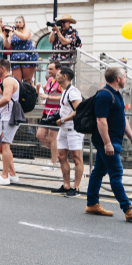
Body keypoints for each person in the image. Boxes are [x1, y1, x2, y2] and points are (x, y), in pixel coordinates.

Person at [85, 67, 132, 220]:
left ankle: (92, 204)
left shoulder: (116, 94)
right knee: (116, 173)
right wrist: (107, 143)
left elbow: (122, 118)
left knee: (99, 171)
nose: (126, 79)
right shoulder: (104, 95)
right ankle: (128, 209)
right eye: (125, 77)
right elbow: (101, 120)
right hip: (108, 142)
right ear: (118, 79)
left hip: (115, 140)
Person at [0, 60, 22, 186]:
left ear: (2, 68)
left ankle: (4, 176)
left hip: (8, 117)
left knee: (5, 145)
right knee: (4, 144)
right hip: (7, 117)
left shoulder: (8, 81)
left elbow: (6, 99)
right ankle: (12, 175)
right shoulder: (8, 81)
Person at [51, 67, 84, 197]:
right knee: (61, 156)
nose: (56, 76)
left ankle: (76, 188)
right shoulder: (65, 91)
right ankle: (66, 185)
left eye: (58, 74)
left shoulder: (73, 92)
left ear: (65, 77)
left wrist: (64, 119)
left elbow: (79, 110)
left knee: (77, 158)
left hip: (74, 129)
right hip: (64, 129)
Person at [35, 61, 63, 171]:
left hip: (55, 112)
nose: (49, 71)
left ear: (58, 69)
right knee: (40, 135)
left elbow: (63, 97)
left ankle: (54, 162)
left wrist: (48, 97)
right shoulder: (50, 79)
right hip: (46, 111)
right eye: (48, 69)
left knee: (53, 137)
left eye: (51, 69)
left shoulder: (61, 81)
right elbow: (42, 92)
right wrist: (38, 87)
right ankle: (58, 152)